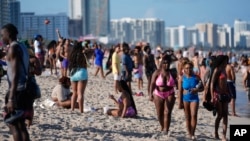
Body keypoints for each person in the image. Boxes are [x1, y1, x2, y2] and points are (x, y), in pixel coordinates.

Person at [1, 23, 31, 141]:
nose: (1, 38)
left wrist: (11, 97)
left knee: (14, 125)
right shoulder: (21, 46)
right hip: (23, 88)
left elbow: (15, 74)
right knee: (21, 126)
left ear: (8, 34)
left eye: (2, 35)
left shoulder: (13, 48)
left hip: (16, 90)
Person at [149, 53, 176, 136]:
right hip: (158, 94)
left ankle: (166, 130)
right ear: (161, 63)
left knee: (167, 112)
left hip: (170, 93)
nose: (166, 64)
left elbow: (178, 83)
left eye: (167, 63)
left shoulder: (173, 72)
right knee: (159, 113)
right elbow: (152, 83)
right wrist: (150, 94)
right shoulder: (157, 72)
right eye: (164, 63)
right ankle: (162, 126)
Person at [178, 60, 204, 139]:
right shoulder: (182, 78)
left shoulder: (196, 77)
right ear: (184, 69)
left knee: (194, 115)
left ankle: (193, 133)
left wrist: (197, 90)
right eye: (186, 68)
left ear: (192, 68)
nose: (188, 70)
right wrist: (180, 102)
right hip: (185, 99)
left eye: (190, 68)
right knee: (187, 116)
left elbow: (202, 88)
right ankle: (189, 132)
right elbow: (180, 91)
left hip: (194, 98)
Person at [210, 55, 230, 141]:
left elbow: (225, 82)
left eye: (227, 61)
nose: (226, 63)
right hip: (217, 94)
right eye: (225, 61)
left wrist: (229, 92)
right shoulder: (217, 70)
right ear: (221, 61)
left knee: (225, 115)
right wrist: (212, 96)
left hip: (225, 94)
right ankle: (216, 132)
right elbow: (212, 83)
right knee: (220, 115)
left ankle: (224, 135)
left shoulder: (224, 69)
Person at [69, 42, 89, 113]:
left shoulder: (72, 55)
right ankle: (81, 110)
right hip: (82, 72)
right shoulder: (83, 54)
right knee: (80, 93)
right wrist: (85, 48)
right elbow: (90, 51)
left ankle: (72, 109)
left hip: (73, 73)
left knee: (74, 93)